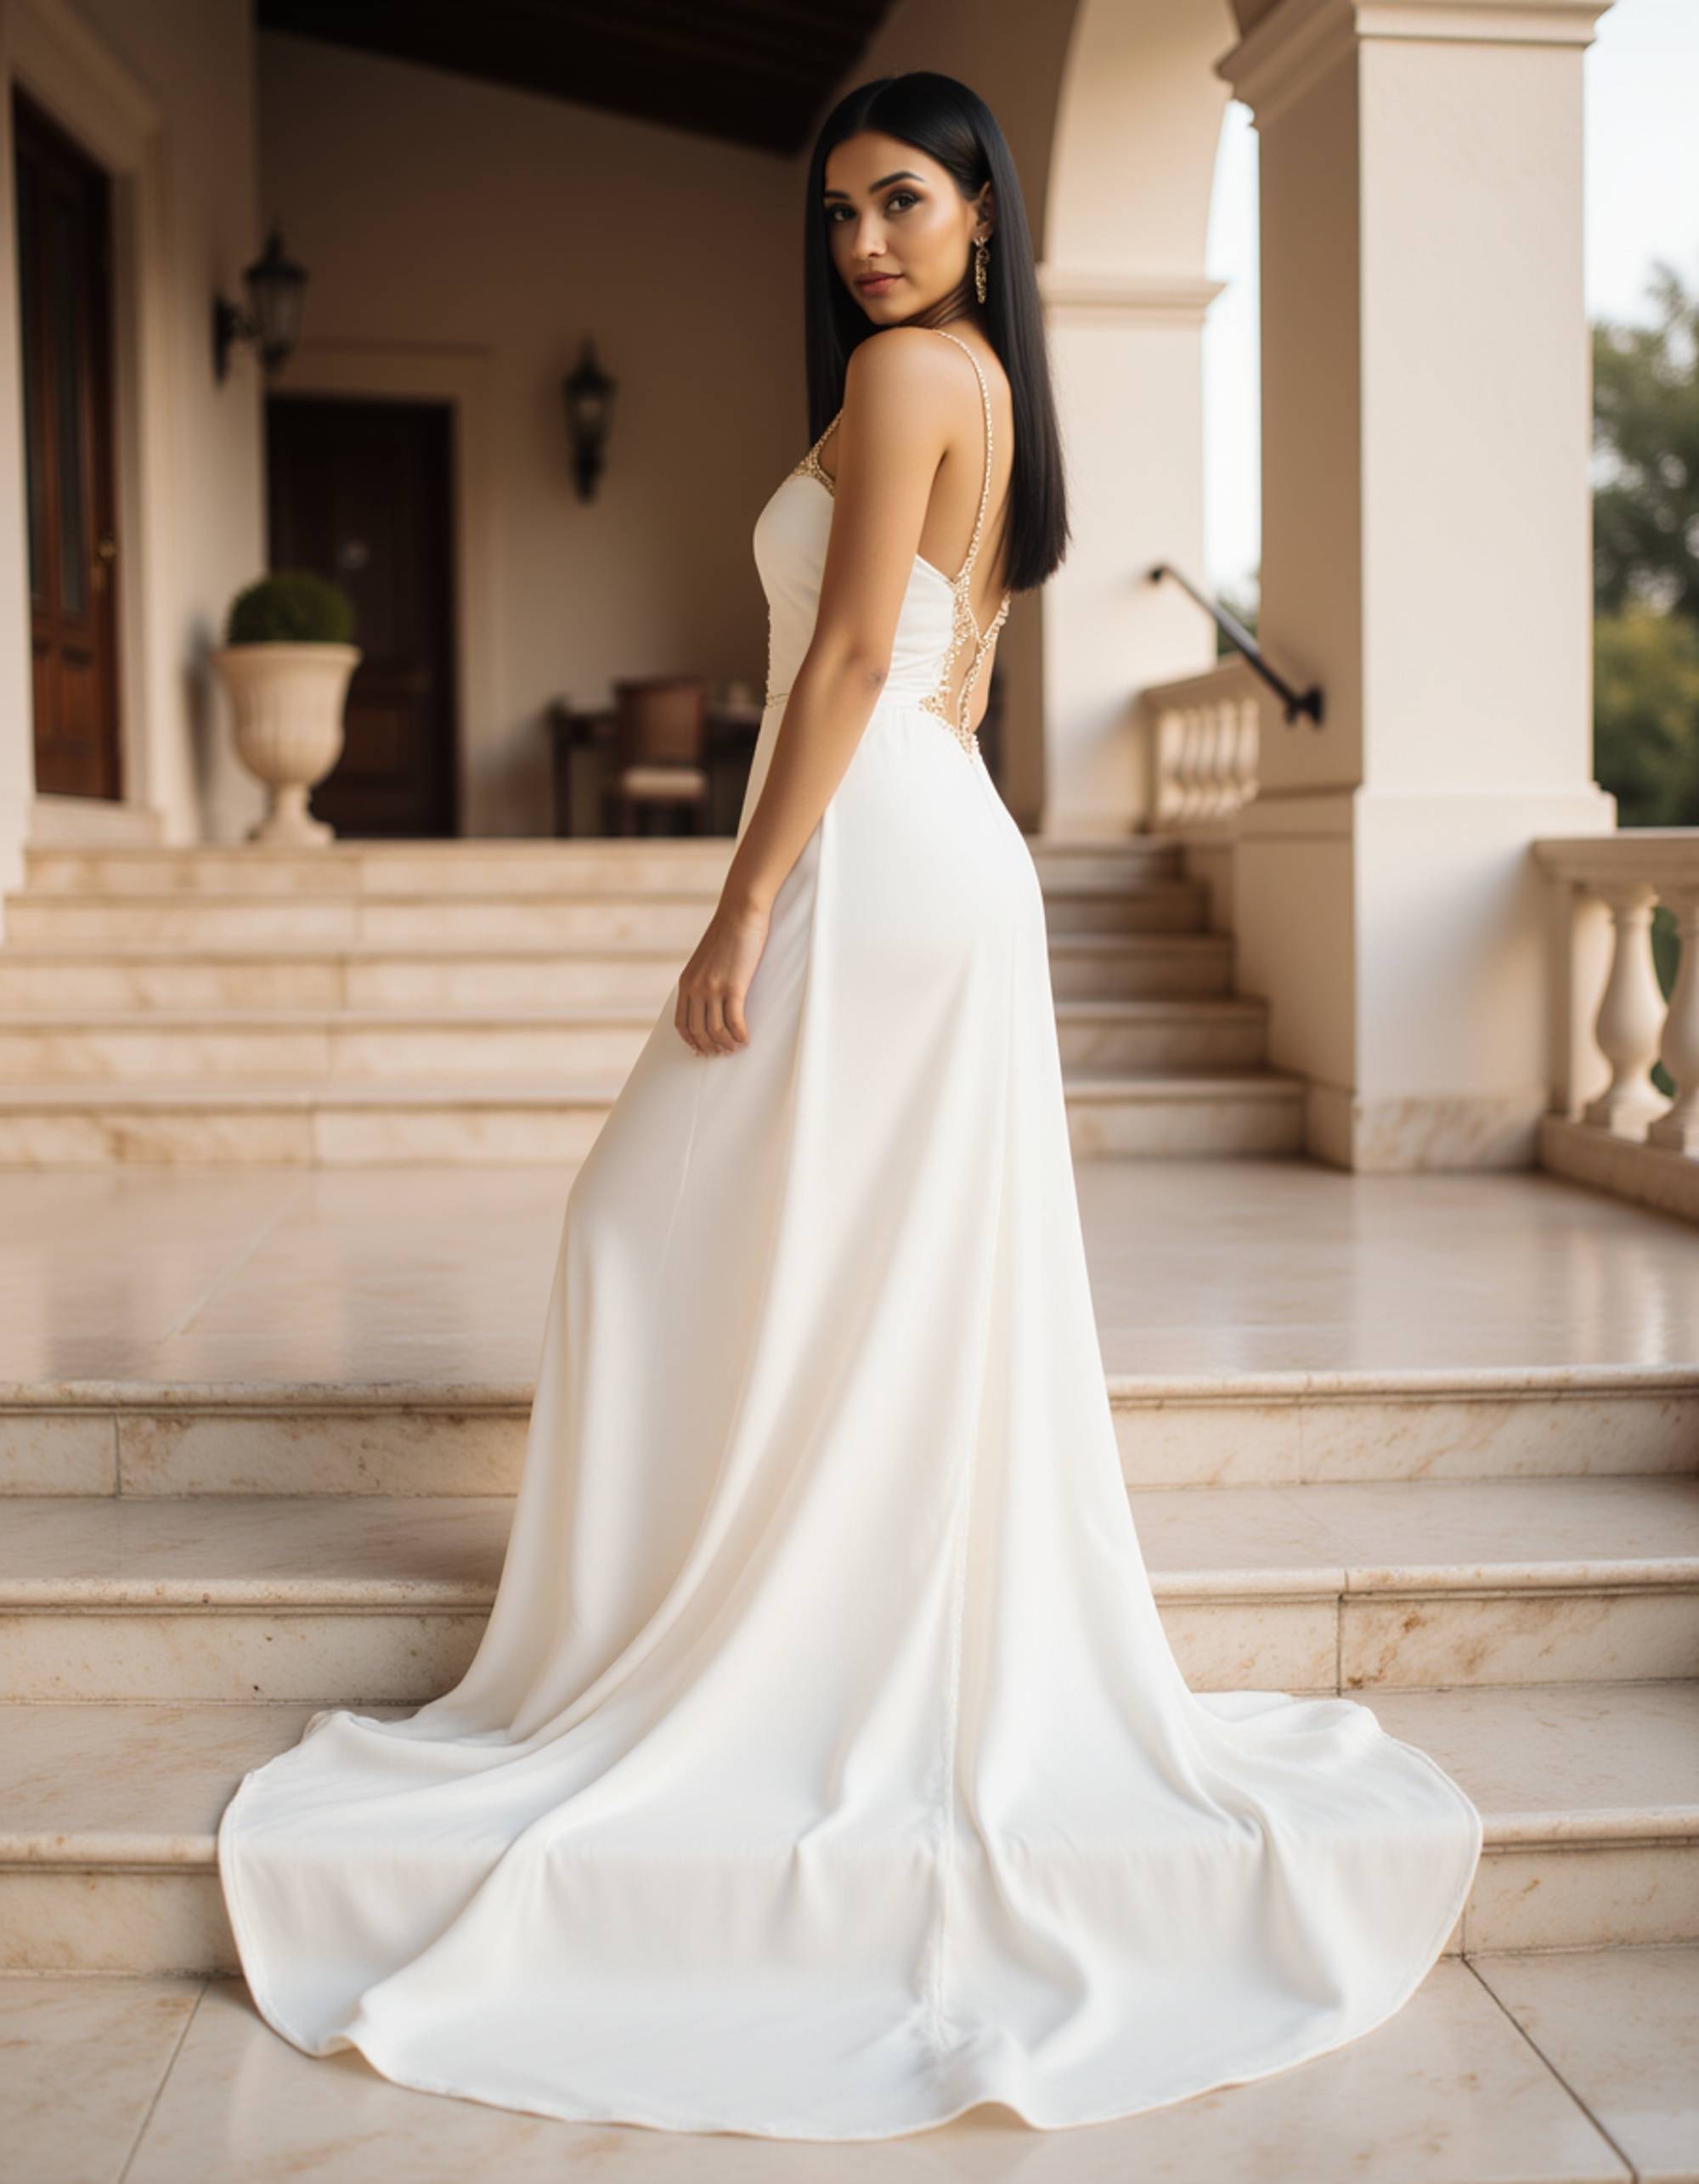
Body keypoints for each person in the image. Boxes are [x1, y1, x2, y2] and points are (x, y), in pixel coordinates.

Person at [217, 71, 1482, 2141]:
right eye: (838, 215)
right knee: (808, 1252)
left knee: (646, 1224)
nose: (863, 243)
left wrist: (740, 899)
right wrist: (914, 703)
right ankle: (751, 1607)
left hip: (875, 855)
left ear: (980, 210)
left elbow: (830, 672)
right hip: (929, 836)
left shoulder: (912, 370)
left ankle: (736, 1640)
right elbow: (925, 640)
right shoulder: (971, 380)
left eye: (901, 201)